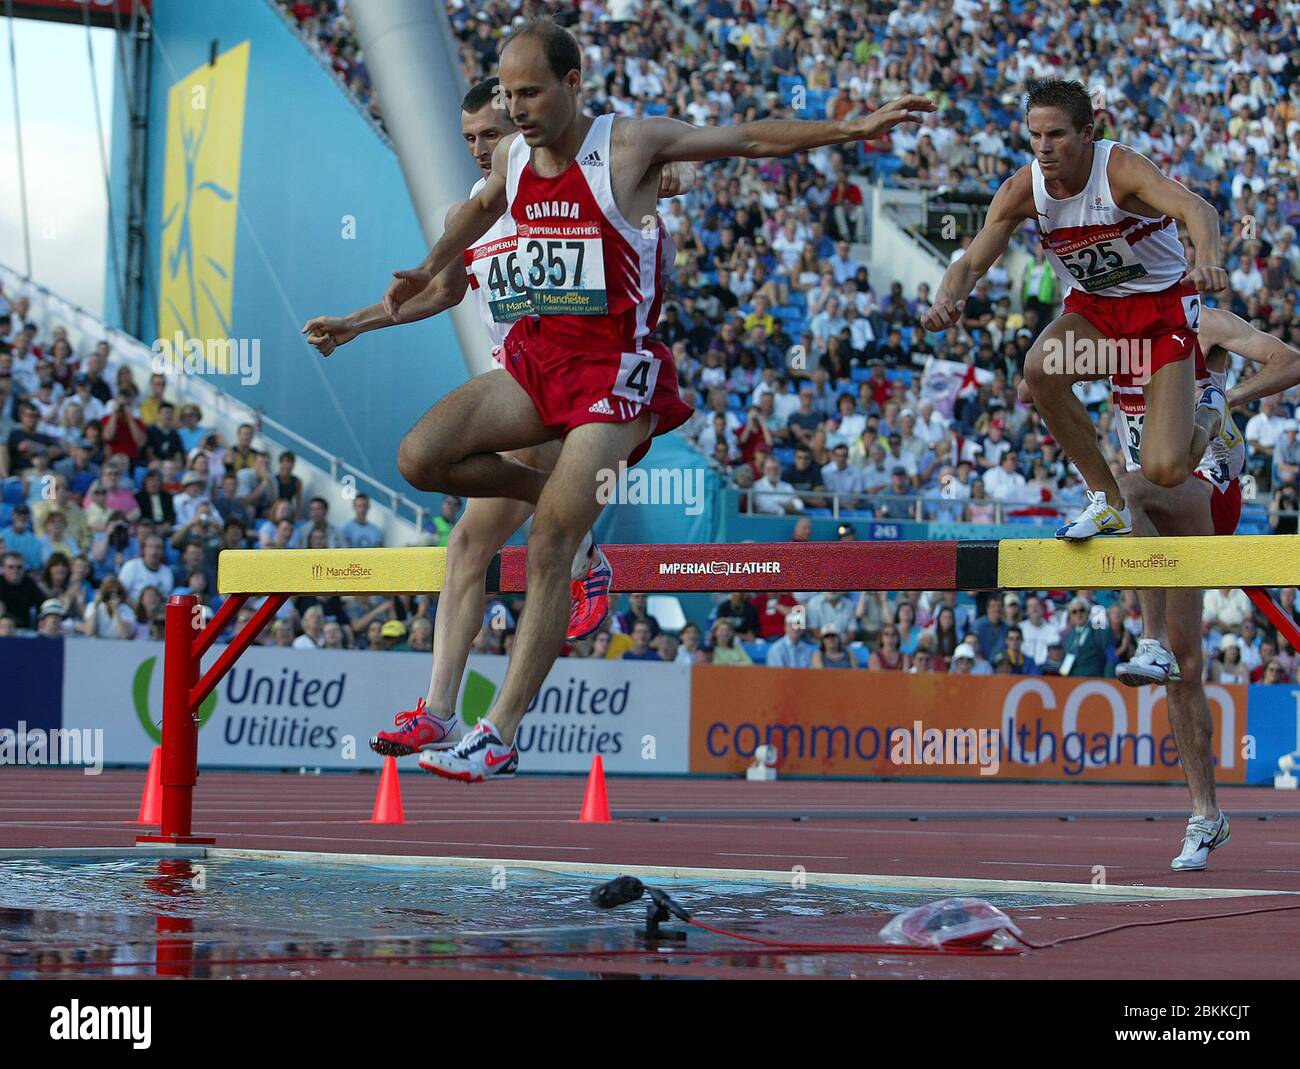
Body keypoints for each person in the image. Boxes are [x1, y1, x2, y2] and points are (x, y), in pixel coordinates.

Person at [381, 20, 931, 781]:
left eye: (531, 92)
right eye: (507, 95)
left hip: (617, 376)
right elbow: (476, 212)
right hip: (541, 366)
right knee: (420, 456)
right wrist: (428, 265)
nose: (517, 110)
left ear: (574, 85)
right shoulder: (510, 155)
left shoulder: (631, 146)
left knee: (547, 546)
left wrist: (852, 126)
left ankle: (499, 730)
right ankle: (559, 509)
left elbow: (751, 139)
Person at [306, 76, 696, 760]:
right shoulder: (477, 211)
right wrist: (356, 324)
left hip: (573, 394)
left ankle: (491, 703)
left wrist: (668, 174)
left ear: (524, 125)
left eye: (493, 134)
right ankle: (440, 710)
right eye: (469, 140)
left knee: (502, 541)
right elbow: (440, 291)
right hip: (516, 390)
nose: (481, 148)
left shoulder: (567, 190)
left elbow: (657, 172)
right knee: (464, 544)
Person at [922, 78, 1229, 541]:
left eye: (1056, 135)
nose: (1044, 148)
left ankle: (1211, 409)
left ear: (1087, 133)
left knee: (1165, 470)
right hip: (1097, 315)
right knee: (1039, 370)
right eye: (1035, 135)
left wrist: (1207, 261)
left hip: (1161, 316)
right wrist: (946, 298)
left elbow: (1199, 210)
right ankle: (1108, 502)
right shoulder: (1022, 190)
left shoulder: (1121, 170)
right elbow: (970, 263)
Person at [1101, 309, 1300, 870]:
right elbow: (1033, 381)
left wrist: (1224, 399)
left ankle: (1150, 635)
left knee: (1122, 492)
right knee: (1185, 672)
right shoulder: (1106, 328)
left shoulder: (1203, 323)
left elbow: (1292, 361)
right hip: (1163, 506)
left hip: (1208, 491)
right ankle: (1206, 817)